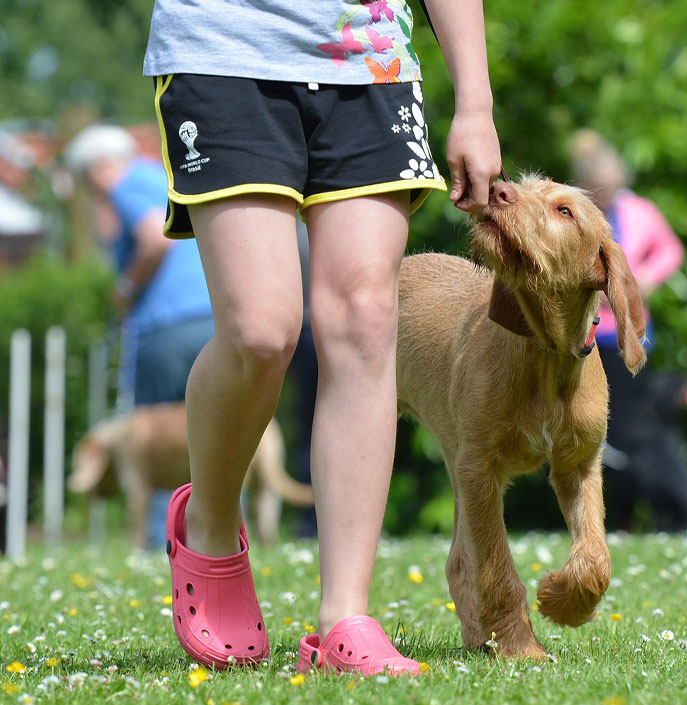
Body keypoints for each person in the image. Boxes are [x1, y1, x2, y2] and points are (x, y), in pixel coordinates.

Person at [144, 0, 501, 674]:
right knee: (260, 329)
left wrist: (475, 102)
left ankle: (346, 616)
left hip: (370, 60)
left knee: (366, 318)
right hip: (223, 53)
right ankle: (211, 525)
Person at [64, 125, 215, 548]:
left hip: (164, 327)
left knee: (148, 445)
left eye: (86, 182)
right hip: (209, 316)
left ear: (97, 169)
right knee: (216, 428)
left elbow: (154, 238)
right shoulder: (161, 175)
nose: (92, 192)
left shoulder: (126, 184)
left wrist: (125, 288)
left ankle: (158, 545)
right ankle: (220, 540)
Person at [568, 129, 687, 531]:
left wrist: (646, 280)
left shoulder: (638, 210)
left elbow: (670, 250)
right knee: (610, 434)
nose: (609, 196)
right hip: (589, 336)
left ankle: (656, 517)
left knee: (633, 432)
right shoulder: (574, 214)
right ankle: (619, 519)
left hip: (633, 332)